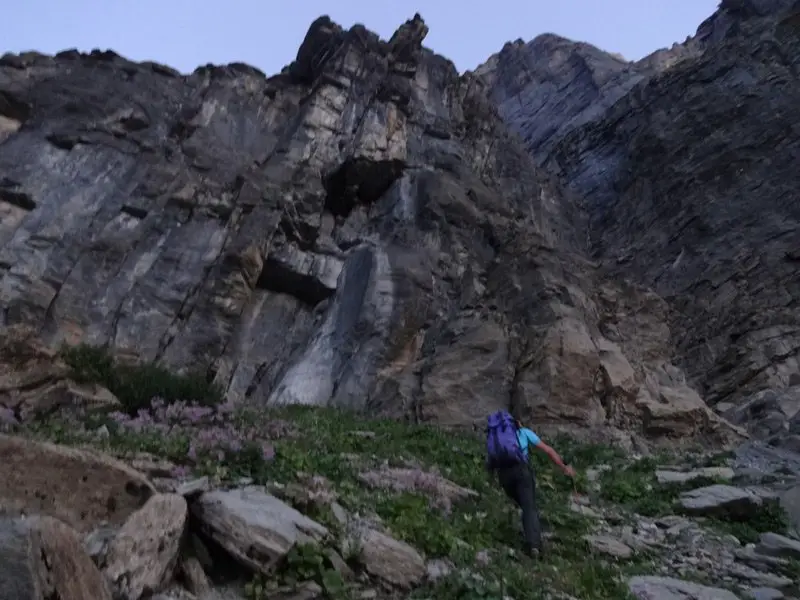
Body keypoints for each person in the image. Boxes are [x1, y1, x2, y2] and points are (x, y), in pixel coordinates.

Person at [485, 410, 575, 558]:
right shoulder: (524, 433)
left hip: (504, 476)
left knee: (523, 505)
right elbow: (548, 450)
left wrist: (491, 480)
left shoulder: (495, 436)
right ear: (517, 423)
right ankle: (534, 545)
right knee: (529, 507)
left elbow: (491, 460)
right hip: (521, 471)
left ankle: (532, 530)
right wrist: (564, 467)